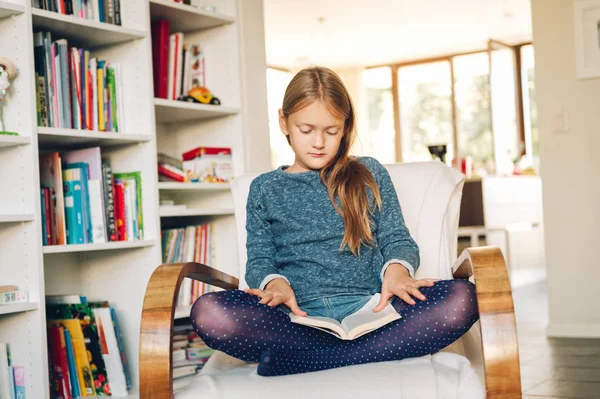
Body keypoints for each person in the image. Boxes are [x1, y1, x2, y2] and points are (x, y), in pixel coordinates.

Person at [191, 66, 479, 377]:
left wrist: (397, 272)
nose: (319, 142)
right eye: (306, 130)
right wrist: (275, 284)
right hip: (297, 317)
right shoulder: (264, 188)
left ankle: (310, 359)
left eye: (331, 131)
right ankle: (354, 353)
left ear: (345, 127)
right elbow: (259, 259)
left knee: (462, 299)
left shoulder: (369, 172)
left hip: (374, 310)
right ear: (283, 122)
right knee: (209, 312)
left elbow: (397, 237)